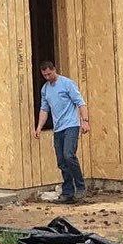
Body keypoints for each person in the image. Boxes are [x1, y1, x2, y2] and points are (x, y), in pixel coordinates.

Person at [33, 60, 89, 202]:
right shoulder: (45, 89)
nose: (47, 77)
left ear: (54, 70)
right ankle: (68, 192)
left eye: (49, 74)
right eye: (44, 75)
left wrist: (85, 121)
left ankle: (80, 186)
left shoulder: (67, 84)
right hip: (58, 128)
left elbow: (80, 103)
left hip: (71, 125)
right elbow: (44, 109)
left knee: (69, 155)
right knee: (61, 161)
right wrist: (39, 127)